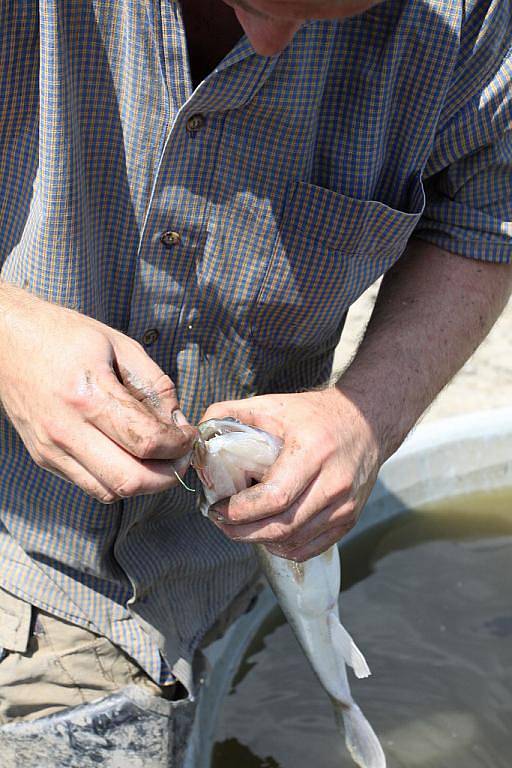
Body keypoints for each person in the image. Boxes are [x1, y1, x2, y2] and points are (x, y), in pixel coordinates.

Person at [0, 0, 510, 751]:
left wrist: (366, 417)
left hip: (225, 571)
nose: (270, 44)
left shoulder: (473, 16)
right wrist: (10, 330)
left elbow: (486, 216)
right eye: (251, 1)